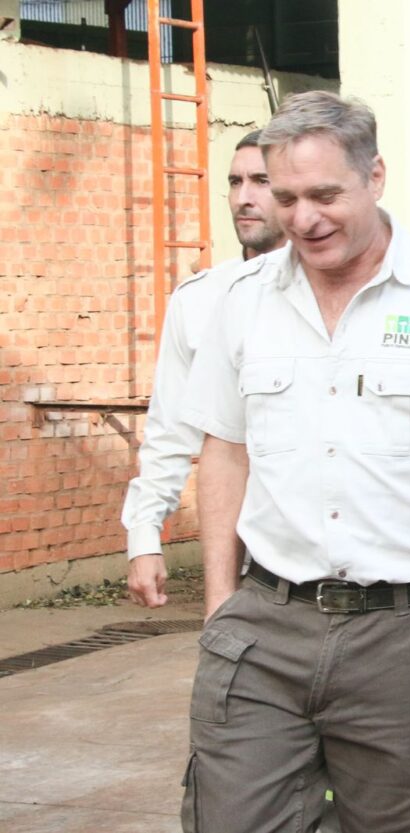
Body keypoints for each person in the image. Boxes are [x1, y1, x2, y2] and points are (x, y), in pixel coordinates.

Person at [178, 90, 410, 833]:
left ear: (375, 177)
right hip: (266, 621)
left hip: (407, 634)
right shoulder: (243, 300)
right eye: (285, 196)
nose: (303, 217)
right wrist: (221, 602)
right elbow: (224, 451)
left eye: (324, 194)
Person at [122, 129, 286, 608]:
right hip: (235, 548)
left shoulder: (332, 294)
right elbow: (170, 428)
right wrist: (145, 534)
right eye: (235, 183)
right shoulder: (199, 300)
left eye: (261, 181)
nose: (244, 198)